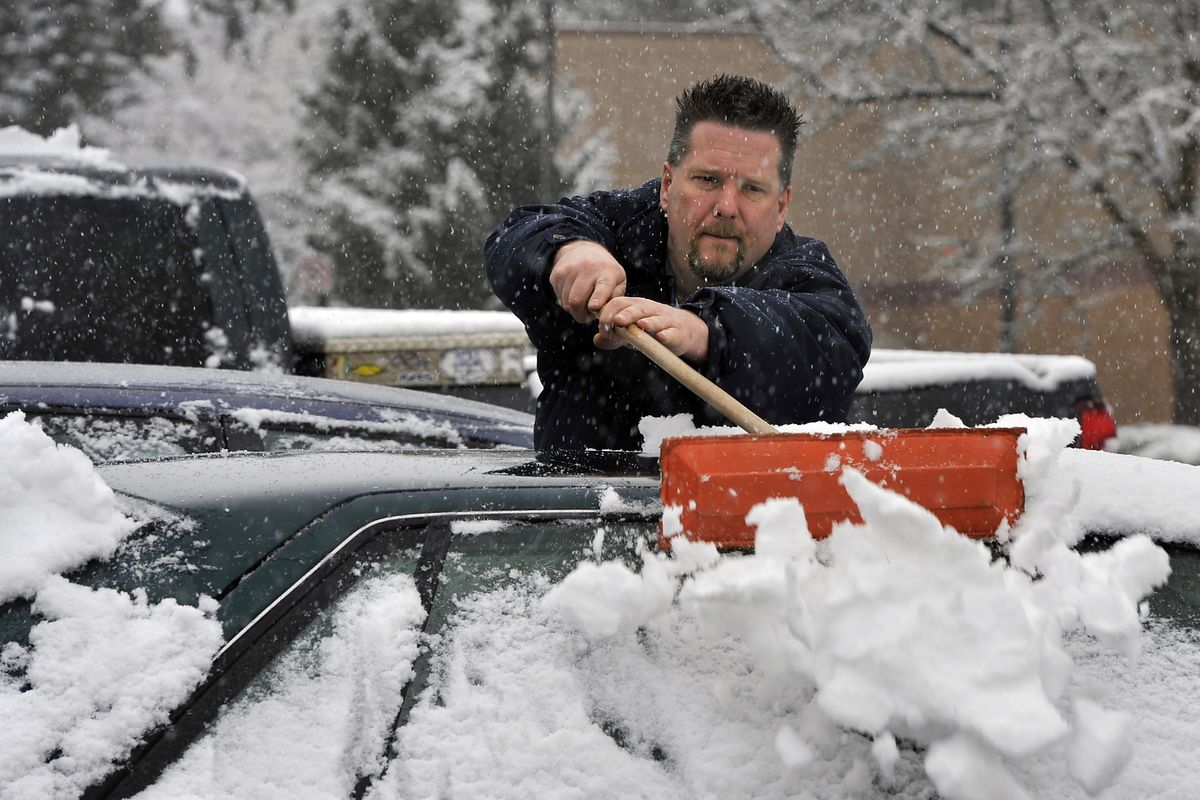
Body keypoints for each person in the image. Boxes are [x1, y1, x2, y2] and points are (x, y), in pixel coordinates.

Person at [486, 74, 872, 451]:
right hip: (580, 511)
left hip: (748, 515)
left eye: (752, 189)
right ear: (668, 185)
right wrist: (568, 252)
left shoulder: (806, 277)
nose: (725, 208)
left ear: (782, 205)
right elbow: (515, 237)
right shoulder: (614, 229)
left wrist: (708, 331)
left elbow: (833, 345)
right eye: (707, 180)